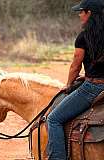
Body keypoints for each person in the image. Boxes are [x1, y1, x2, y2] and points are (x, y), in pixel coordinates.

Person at [46, 0, 104, 159]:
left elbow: (75, 66)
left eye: (81, 11)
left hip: (93, 88)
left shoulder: (84, 37)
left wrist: (69, 84)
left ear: (89, 13)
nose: (79, 15)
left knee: (53, 119)